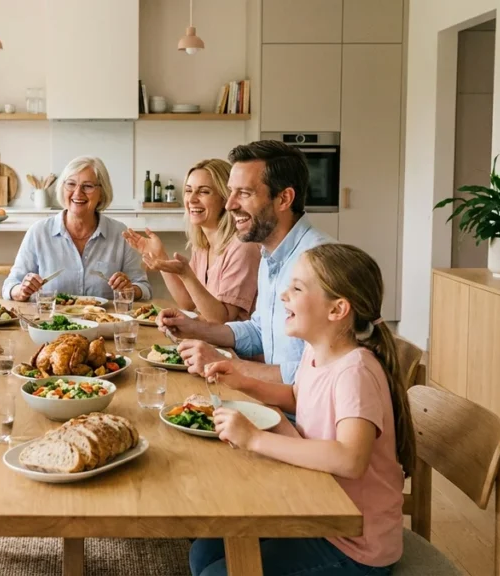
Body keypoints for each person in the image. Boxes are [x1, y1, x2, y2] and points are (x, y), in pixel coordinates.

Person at [190, 243, 415, 576]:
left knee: (215, 573)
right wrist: (243, 381)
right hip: (317, 508)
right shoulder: (317, 353)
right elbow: (299, 397)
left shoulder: (356, 372)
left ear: (337, 309)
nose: (283, 295)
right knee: (203, 553)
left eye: (297, 288)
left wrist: (254, 439)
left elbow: (349, 459)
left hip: (355, 545)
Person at [158, 141, 333, 397]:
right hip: (274, 401)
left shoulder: (320, 262)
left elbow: (321, 375)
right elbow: (259, 331)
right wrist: (194, 328)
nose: (229, 205)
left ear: (284, 198)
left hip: (303, 420)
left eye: (245, 193)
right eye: (230, 192)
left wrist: (230, 365)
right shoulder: (270, 254)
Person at [122, 158, 261, 322]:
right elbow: (187, 302)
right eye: (188, 191)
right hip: (209, 341)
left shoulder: (243, 248)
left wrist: (186, 274)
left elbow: (221, 320)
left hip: (233, 347)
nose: (192, 199)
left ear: (225, 198)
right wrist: (160, 257)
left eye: (204, 191)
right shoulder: (202, 246)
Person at [2, 156, 152, 302]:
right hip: (50, 324)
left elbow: (143, 287)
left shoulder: (120, 233)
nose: (78, 193)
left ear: (101, 193)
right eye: (71, 184)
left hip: (104, 323)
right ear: (63, 188)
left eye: (87, 186)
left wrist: (130, 289)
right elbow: (10, 285)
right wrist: (21, 290)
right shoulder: (38, 232)